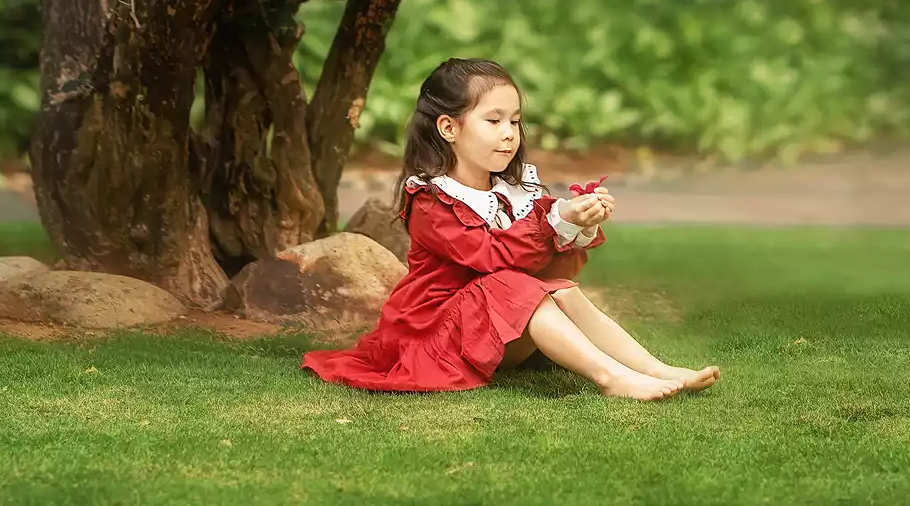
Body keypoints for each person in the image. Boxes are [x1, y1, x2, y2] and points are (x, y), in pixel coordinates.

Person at [301, 57, 720, 400]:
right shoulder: (431, 199)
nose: (509, 135)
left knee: (560, 288)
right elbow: (489, 257)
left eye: (515, 122)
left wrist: (575, 224)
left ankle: (654, 367)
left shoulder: (513, 191)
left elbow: (549, 272)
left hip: (493, 335)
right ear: (449, 128)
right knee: (508, 284)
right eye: (494, 120)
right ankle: (613, 379)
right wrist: (553, 222)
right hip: (434, 335)